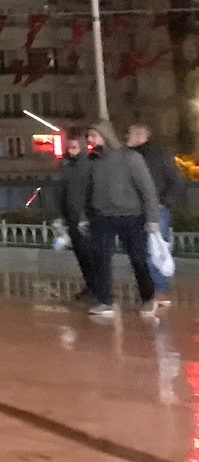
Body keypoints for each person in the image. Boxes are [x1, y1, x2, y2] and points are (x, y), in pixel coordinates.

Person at [79, 121, 162, 320]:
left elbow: (148, 189)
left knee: (139, 260)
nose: (90, 140)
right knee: (101, 261)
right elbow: (86, 191)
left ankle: (148, 298)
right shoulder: (93, 161)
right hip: (101, 217)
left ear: (104, 135)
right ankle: (105, 301)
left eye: (93, 135)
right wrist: (84, 217)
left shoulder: (131, 158)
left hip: (131, 217)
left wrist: (152, 218)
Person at [125, 121, 184, 295]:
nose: (127, 136)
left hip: (154, 210)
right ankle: (152, 289)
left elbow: (175, 182)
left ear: (140, 135)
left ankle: (158, 289)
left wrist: (161, 202)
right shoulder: (133, 155)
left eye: (130, 133)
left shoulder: (156, 155)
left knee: (155, 250)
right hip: (138, 209)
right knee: (145, 250)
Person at [44, 131, 93, 300]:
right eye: (69, 147)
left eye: (74, 147)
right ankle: (90, 286)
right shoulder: (66, 165)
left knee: (90, 255)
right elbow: (58, 192)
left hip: (85, 218)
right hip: (71, 218)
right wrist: (58, 216)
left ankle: (97, 289)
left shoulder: (88, 165)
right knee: (81, 255)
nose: (71, 151)